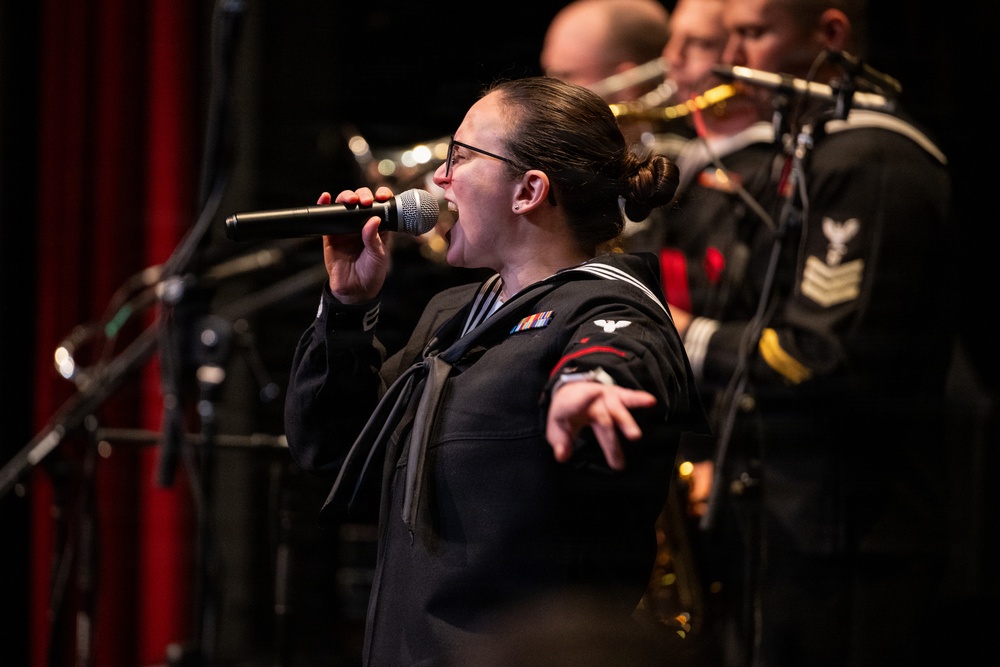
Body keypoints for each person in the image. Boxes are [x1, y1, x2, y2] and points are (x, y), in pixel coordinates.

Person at [283, 75, 709, 666]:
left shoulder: (611, 304)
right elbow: (332, 450)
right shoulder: (455, 313)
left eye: (460, 156)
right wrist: (347, 313)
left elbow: (615, 355)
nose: (439, 178)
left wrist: (590, 387)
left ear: (529, 190)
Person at [648, 1, 954, 666]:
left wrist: (686, 338)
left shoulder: (872, 159)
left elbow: (818, 356)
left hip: (848, 536)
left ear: (831, 36)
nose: (732, 59)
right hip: (787, 521)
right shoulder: (816, 150)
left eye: (753, 35)